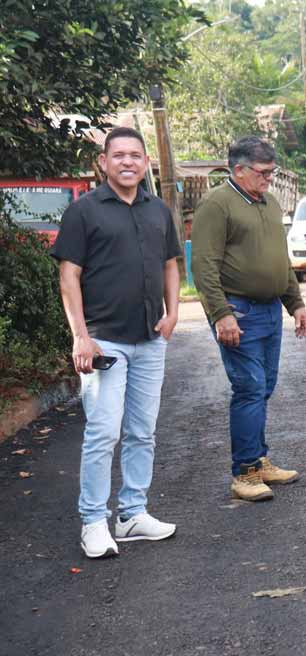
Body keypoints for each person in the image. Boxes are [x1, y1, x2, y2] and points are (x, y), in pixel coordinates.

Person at [52, 127, 181, 558]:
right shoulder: (84, 212)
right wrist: (80, 337)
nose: (128, 162)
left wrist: (173, 313)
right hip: (104, 342)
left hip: (149, 339)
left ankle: (131, 514)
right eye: (119, 155)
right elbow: (68, 275)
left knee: (142, 433)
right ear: (103, 163)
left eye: (135, 156)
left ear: (146, 163)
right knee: (103, 433)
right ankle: (93, 521)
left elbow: (170, 263)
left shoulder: (158, 210)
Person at [190, 136, 306, 502]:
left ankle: (258, 461)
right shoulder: (217, 205)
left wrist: (296, 303)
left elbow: (280, 258)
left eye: (272, 171)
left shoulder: (269, 203)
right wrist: (221, 314)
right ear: (238, 169)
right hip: (238, 312)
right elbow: (203, 266)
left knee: (264, 386)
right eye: (263, 172)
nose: (269, 178)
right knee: (249, 388)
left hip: (271, 310)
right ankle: (244, 473)